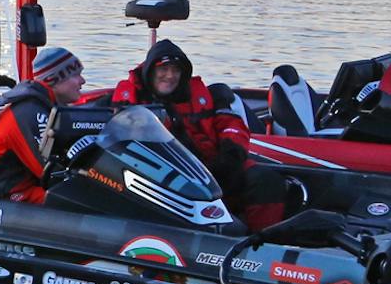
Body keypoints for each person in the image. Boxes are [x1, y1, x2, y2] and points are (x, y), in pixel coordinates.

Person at [110, 39, 288, 228]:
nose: (170, 76)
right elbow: (127, 135)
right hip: (168, 173)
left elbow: (232, 125)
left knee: (267, 180)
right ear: (150, 71)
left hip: (213, 168)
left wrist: (231, 155)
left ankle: (260, 242)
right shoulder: (133, 98)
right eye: (163, 69)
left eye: (176, 70)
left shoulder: (202, 96)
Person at [0, 46, 85, 204]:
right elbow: (49, 173)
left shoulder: (46, 105)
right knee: (76, 201)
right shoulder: (28, 112)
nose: (82, 81)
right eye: (75, 75)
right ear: (53, 79)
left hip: (23, 186)